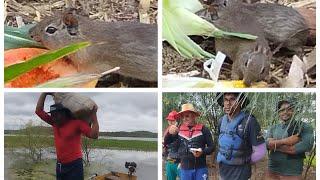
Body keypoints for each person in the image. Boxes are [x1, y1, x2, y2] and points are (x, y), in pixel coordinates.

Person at [35, 93, 99, 180]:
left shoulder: (76, 123)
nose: (54, 117)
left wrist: (93, 115)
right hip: (60, 165)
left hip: (74, 165)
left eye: (56, 114)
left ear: (64, 114)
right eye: (52, 115)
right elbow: (38, 111)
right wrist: (44, 93)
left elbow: (94, 135)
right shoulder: (54, 123)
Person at [216, 93, 266, 180]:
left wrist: (245, 161)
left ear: (240, 102)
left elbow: (260, 151)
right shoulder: (221, 121)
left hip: (241, 173)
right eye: (225, 99)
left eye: (232, 99)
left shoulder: (249, 122)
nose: (228, 103)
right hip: (223, 171)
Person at [266, 100, 314, 180]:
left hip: (292, 173)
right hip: (272, 170)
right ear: (278, 113)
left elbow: (297, 149)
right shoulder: (273, 128)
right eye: (281, 110)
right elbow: (265, 145)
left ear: (295, 111)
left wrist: (273, 144)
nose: (285, 112)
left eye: (289, 109)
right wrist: (286, 141)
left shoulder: (304, 127)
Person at [164, 103, 214, 180]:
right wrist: (169, 133)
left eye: (187, 116)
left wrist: (202, 151)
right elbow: (166, 142)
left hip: (201, 168)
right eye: (182, 116)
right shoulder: (179, 130)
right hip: (185, 169)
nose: (184, 119)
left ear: (194, 116)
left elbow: (212, 147)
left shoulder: (204, 129)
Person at [163, 110, 180, 180]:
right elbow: (165, 143)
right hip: (170, 160)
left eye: (172, 120)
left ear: (177, 121)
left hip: (180, 162)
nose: (170, 122)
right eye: (169, 120)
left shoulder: (181, 130)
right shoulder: (168, 130)